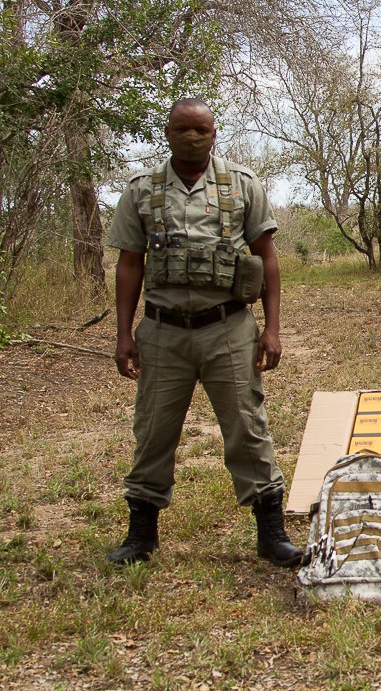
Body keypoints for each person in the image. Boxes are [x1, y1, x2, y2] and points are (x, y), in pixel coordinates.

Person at [105, 98, 301, 568]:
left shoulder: (242, 187)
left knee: (247, 429)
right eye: (182, 129)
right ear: (167, 132)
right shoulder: (142, 190)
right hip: (162, 330)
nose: (193, 137)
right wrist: (123, 334)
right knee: (153, 430)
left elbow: (267, 257)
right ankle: (141, 536)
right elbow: (129, 263)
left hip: (228, 328)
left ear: (216, 133)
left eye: (202, 130)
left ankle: (272, 535)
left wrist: (272, 329)